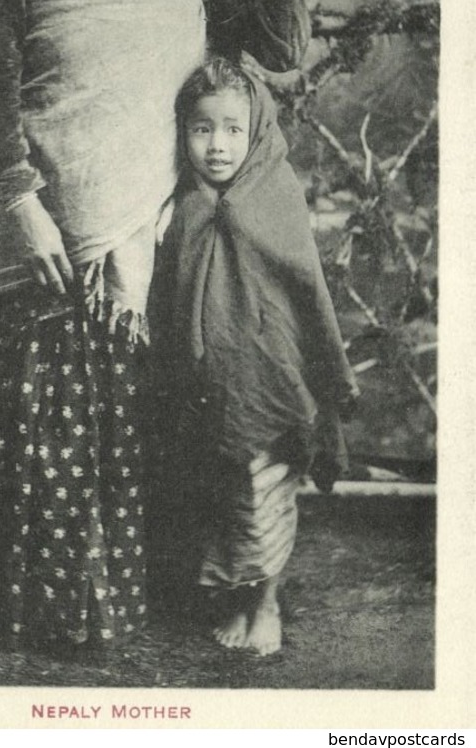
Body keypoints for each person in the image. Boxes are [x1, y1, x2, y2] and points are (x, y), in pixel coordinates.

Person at [0, 0, 311, 649]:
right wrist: (18, 197)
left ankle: (137, 601)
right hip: (43, 206)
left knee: (149, 405)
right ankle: (37, 609)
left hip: (150, 219)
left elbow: (277, 45)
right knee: (43, 409)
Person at [149, 57, 359, 656]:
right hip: (208, 387)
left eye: (233, 129)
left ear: (256, 130)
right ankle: (239, 600)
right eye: (202, 128)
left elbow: (308, 294)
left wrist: (326, 378)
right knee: (226, 498)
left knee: (263, 495)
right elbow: (172, 301)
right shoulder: (185, 206)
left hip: (269, 382)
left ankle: (265, 606)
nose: (217, 146)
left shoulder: (274, 196)